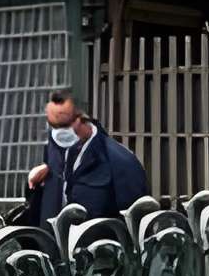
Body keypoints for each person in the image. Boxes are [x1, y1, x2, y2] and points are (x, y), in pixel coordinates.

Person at [25, 89, 148, 226]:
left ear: (83, 118)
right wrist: (37, 184)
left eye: (64, 124)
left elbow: (134, 222)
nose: (58, 132)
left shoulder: (121, 162)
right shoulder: (54, 148)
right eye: (53, 125)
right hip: (53, 243)